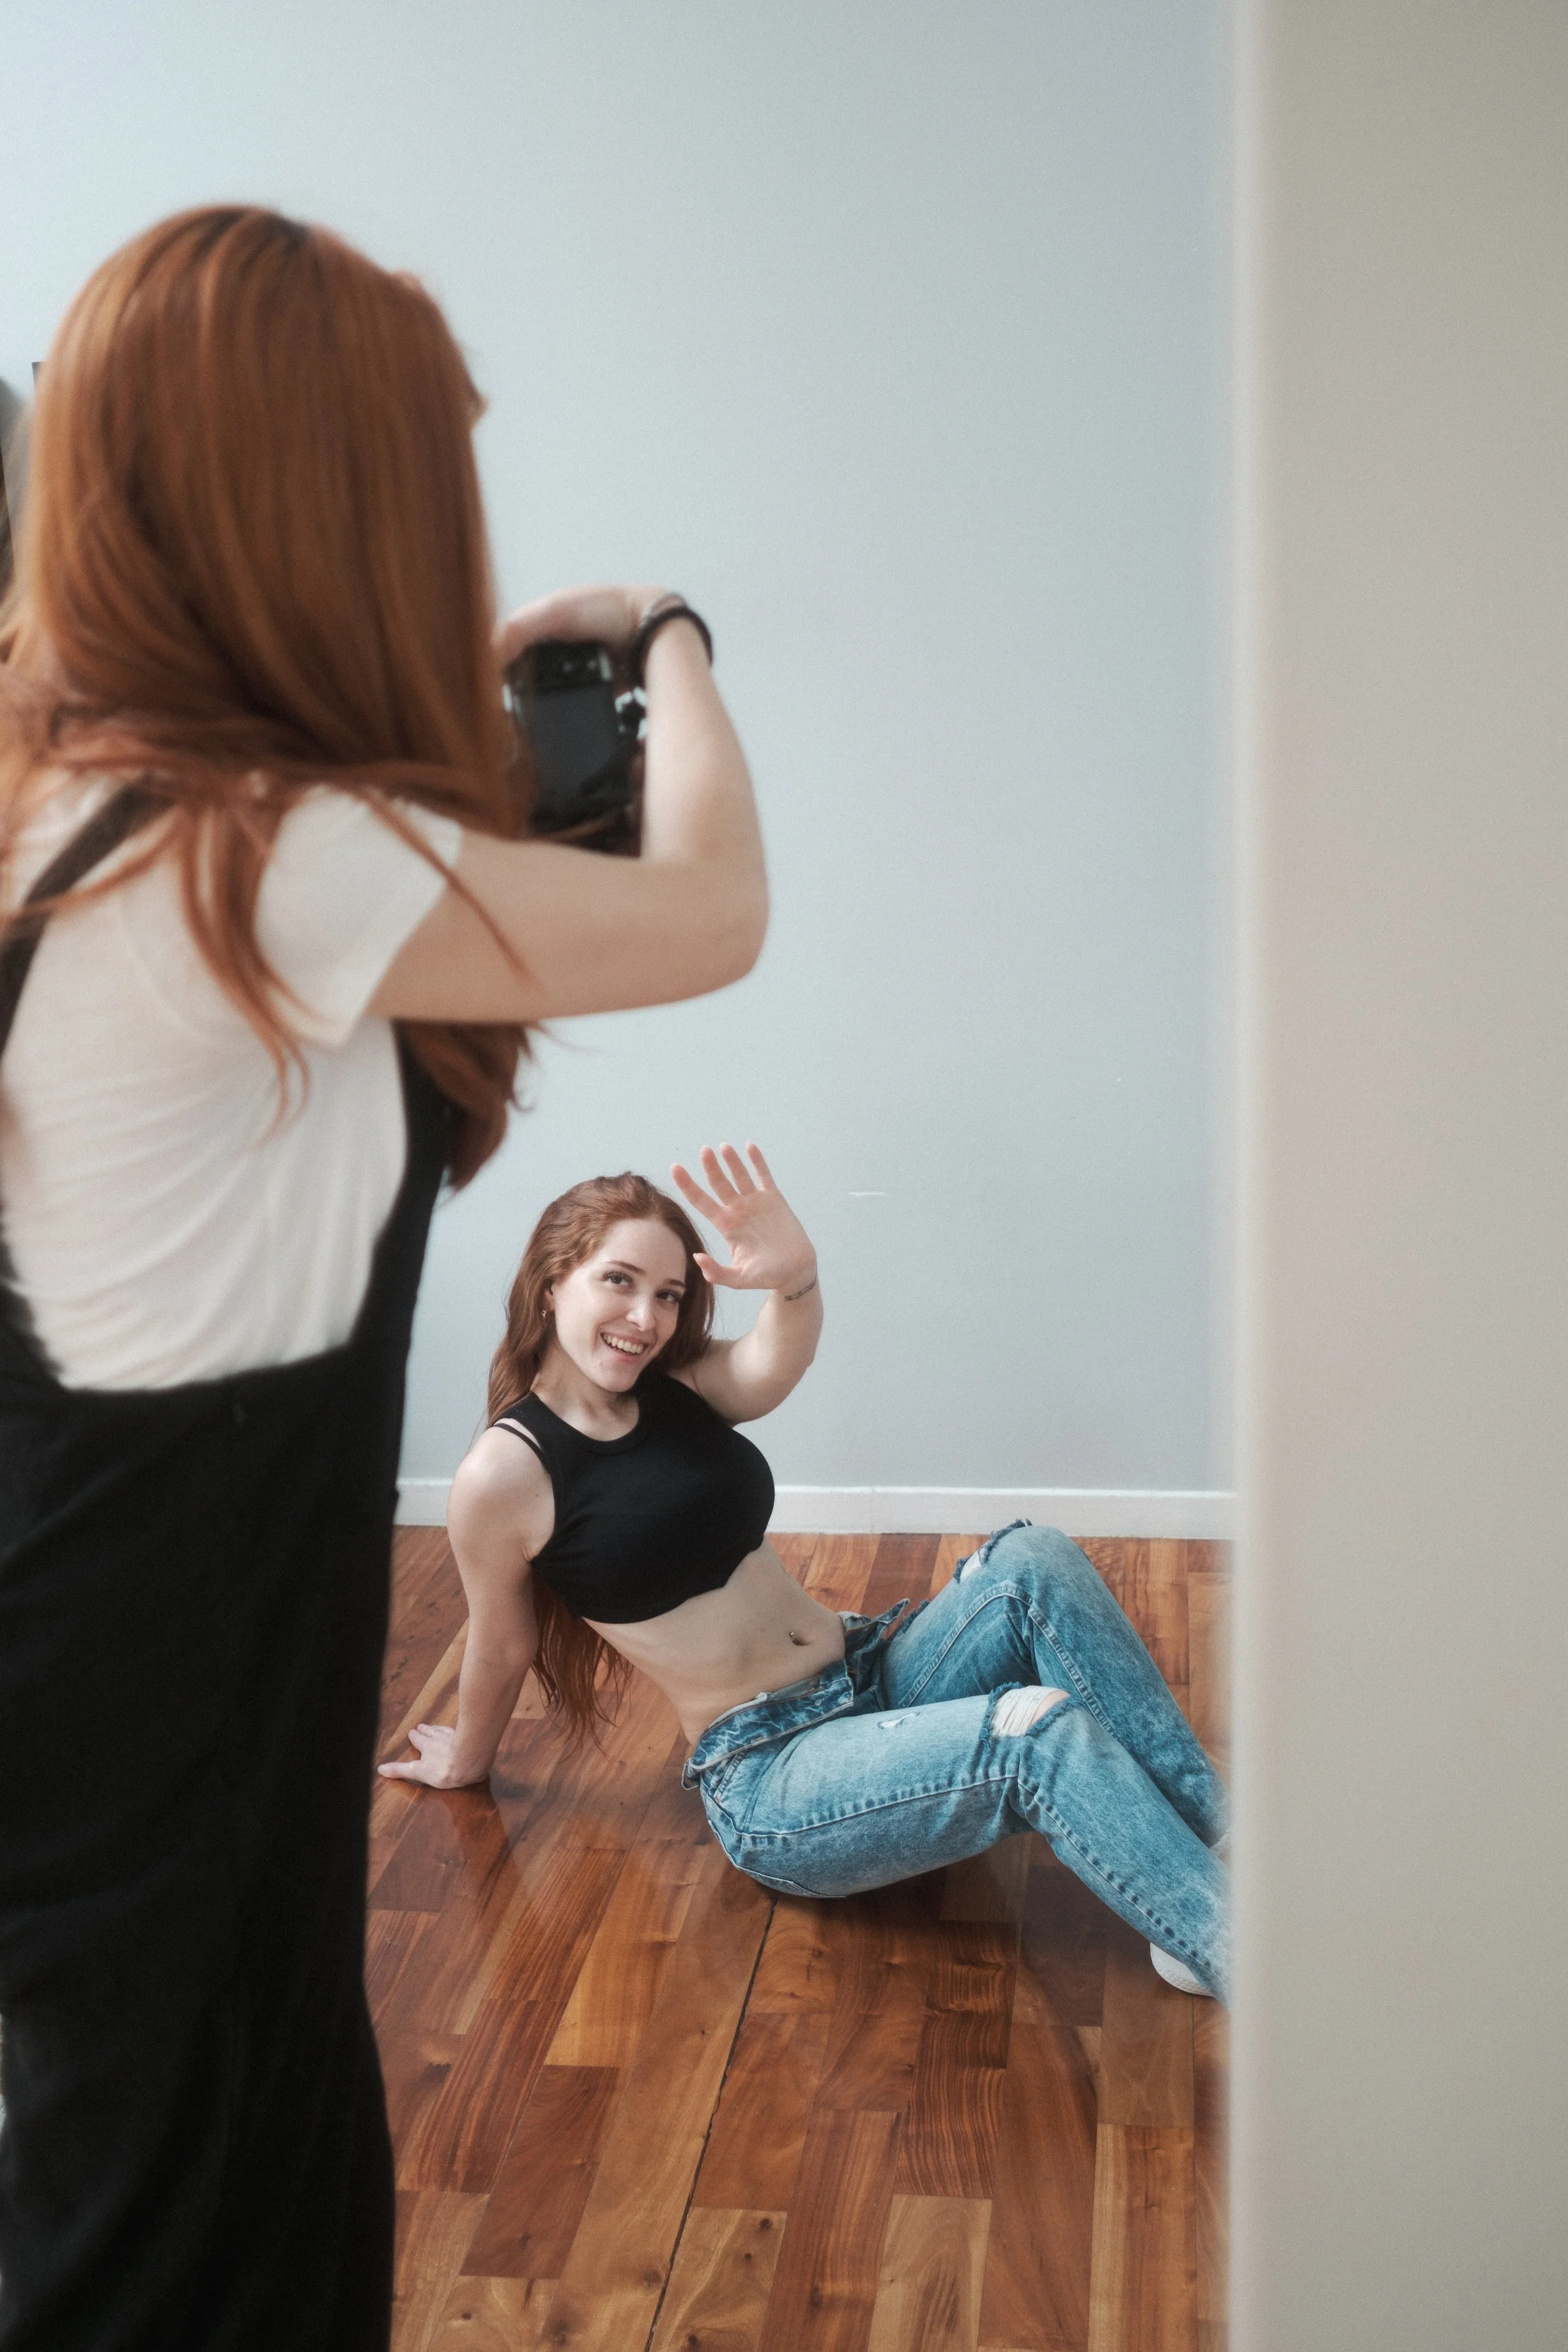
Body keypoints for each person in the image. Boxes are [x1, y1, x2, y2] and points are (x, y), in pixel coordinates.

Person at [0, 206, 765, 2352]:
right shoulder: (245, 848)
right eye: (430, 469)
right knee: (174, 2257)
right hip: (142, 1693)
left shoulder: (107, 800)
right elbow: (713, 906)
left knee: (218, 2211)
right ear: (320, 502)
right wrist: (667, 633)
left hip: (151, 1654)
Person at [382, 1145, 1231, 2003]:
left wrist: (796, 1278)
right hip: (778, 1770)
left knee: (1031, 1560)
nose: (646, 1316)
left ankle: (1217, 1847)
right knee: (1036, 1732)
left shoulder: (667, 1381)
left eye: (669, 1294)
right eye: (620, 1281)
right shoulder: (503, 1474)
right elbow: (501, 1641)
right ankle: (1247, 1953)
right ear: (553, 1280)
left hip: (869, 1673)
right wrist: (468, 1759)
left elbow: (768, 1366)